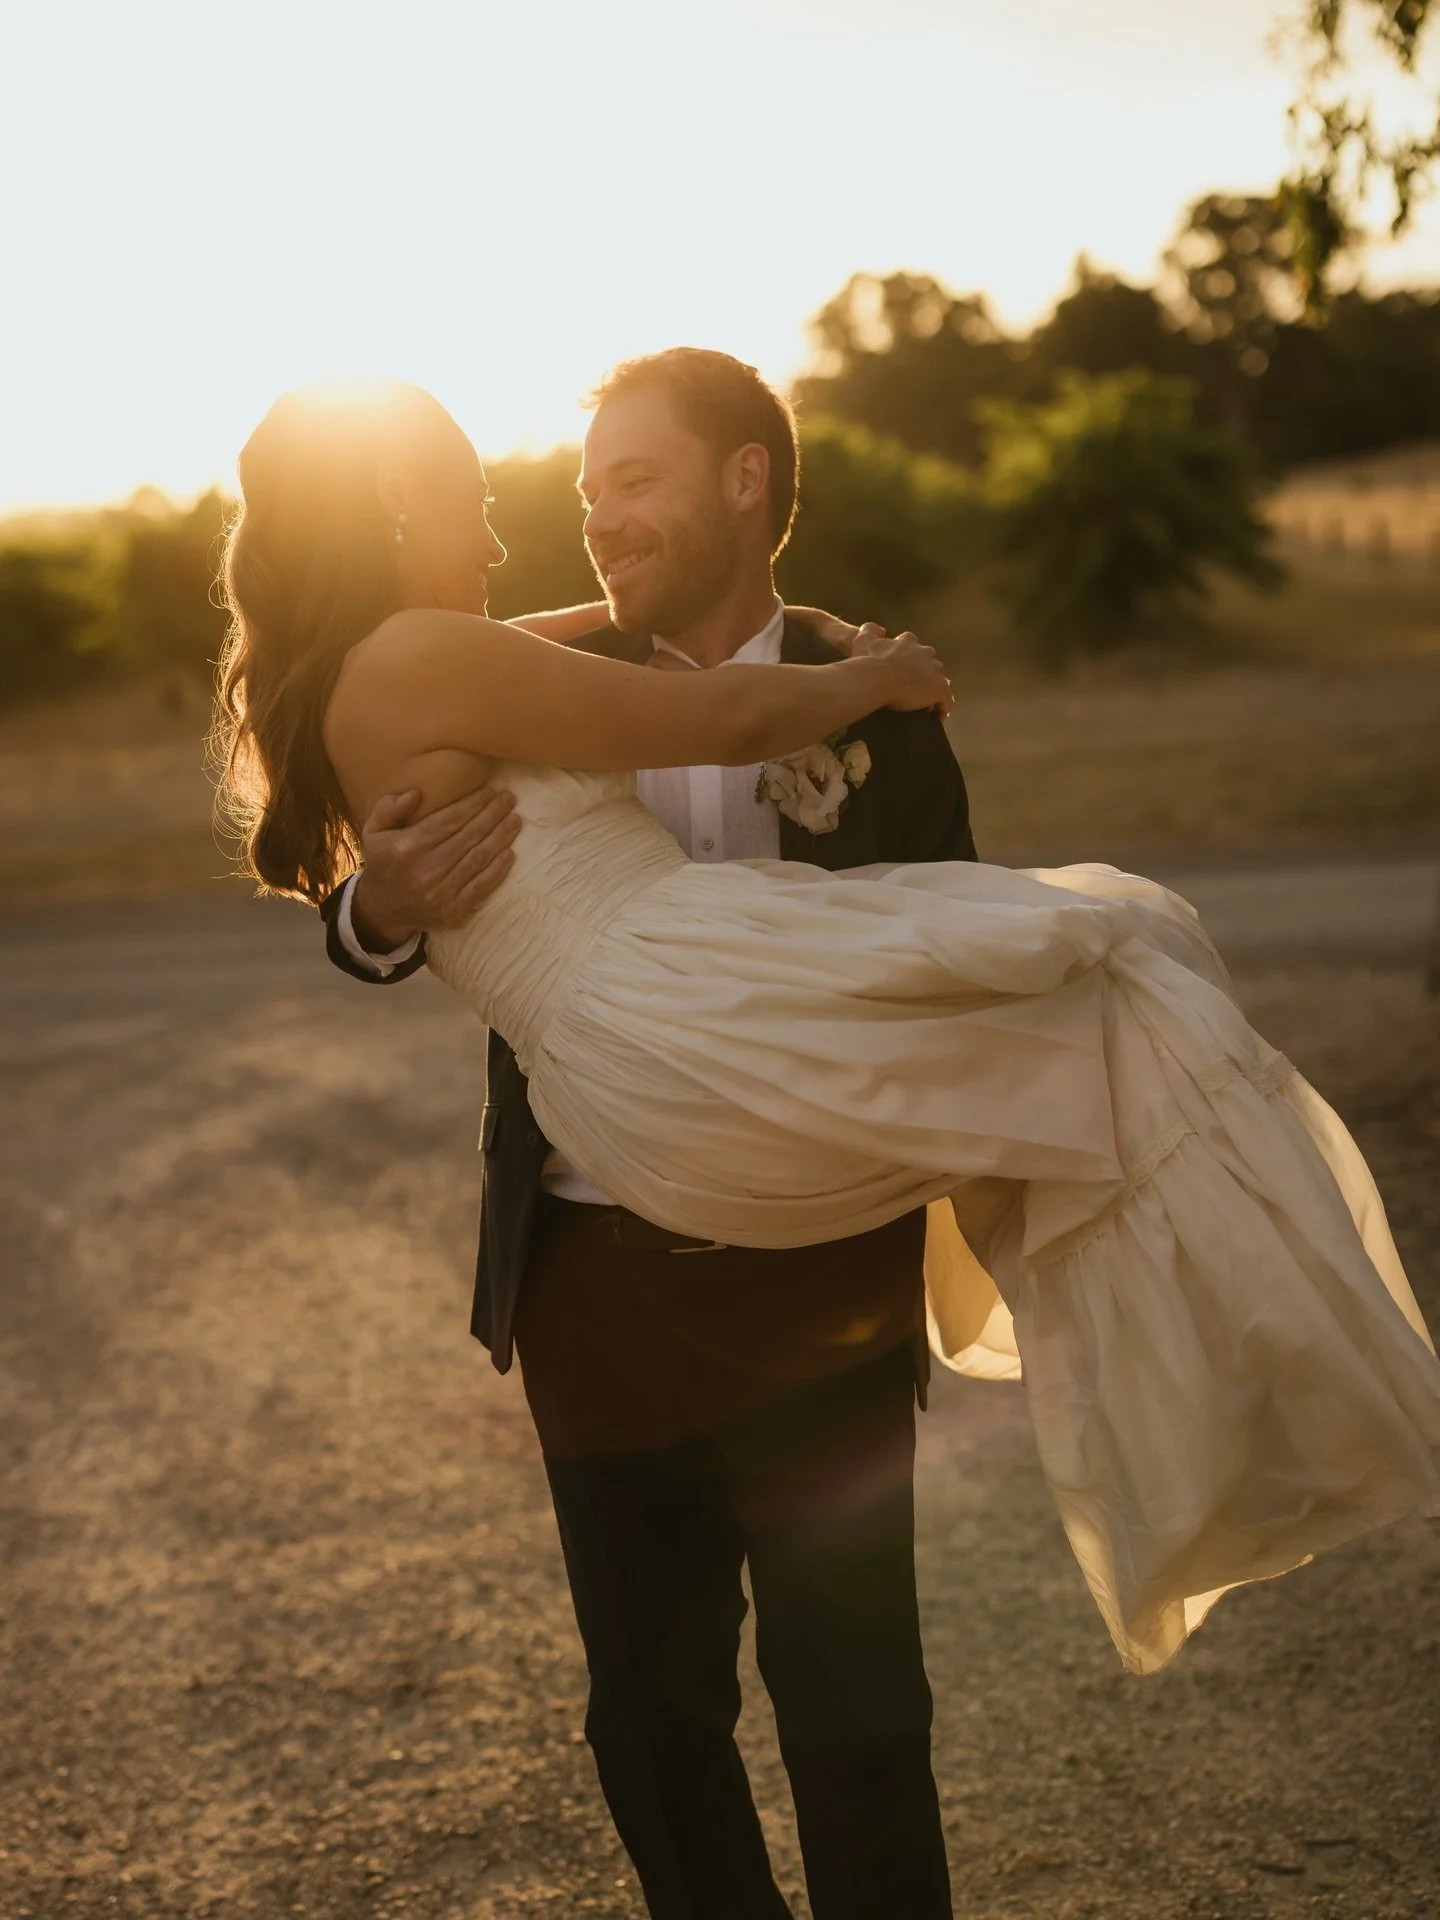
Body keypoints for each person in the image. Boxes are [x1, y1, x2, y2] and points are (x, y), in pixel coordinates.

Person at [216, 367, 1440, 1918]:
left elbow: (935, 960)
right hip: (593, 1262)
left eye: (629, 483)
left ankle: (1257, 1369)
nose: (585, 522)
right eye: (578, 487)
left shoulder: (822, 689)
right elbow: (368, 886)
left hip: (818, 1280)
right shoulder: (529, 664)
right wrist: (378, 907)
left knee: (858, 1709)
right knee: (650, 1713)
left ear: (743, 484)